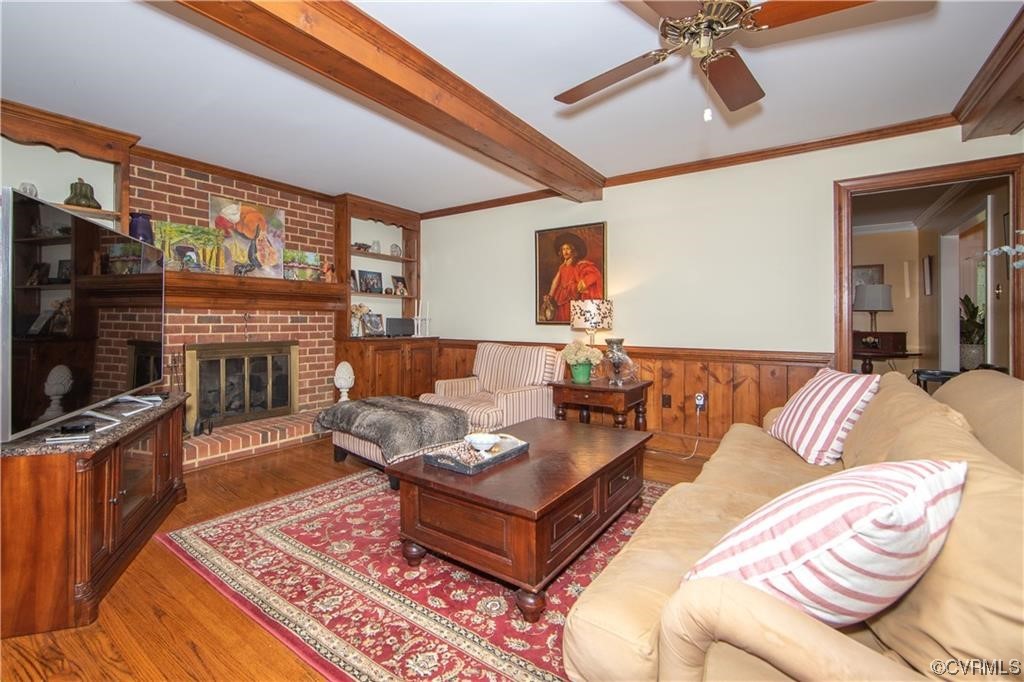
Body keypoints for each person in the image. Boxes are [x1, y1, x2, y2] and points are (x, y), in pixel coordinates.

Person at [542, 233, 603, 322]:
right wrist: (550, 296)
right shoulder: (562, 267)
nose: (565, 251)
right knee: (561, 316)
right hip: (561, 296)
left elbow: (593, 274)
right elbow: (555, 281)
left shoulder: (578, 265)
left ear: (573, 251)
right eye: (563, 249)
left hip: (573, 296)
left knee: (571, 316)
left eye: (568, 249)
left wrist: (583, 282)